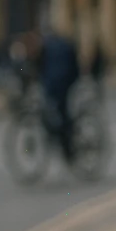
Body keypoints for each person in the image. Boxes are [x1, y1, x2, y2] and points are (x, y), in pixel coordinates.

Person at [35, 29, 81, 161]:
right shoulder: (66, 45)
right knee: (63, 111)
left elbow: (40, 66)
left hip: (53, 84)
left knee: (55, 110)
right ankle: (67, 143)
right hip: (64, 82)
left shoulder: (46, 47)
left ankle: (63, 140)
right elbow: (75, 67)